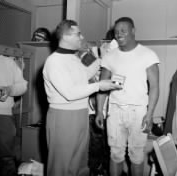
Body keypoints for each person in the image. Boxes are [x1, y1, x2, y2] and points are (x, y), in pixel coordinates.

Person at [42, 19, 121, 176]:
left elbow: (85, 75)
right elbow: (70, 93)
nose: (82, 36)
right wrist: (99, 86)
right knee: (61, 166)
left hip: (80, 113)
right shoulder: (54, 61)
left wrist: (102, 58)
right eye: (78, 34)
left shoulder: (74, 58)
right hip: (63, 117)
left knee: (79, 164)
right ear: (66, 36)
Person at [95, 17, 160, 176]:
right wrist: (99, 111)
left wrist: (150, 113)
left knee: (137, 156)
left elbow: (155, 87)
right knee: (115, 154)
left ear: (133, 31)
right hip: (115, 111)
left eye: (123, 30)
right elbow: (103, 86)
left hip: (139, 113)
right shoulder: (110, 56)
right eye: (116, 31)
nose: (119, 34)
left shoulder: (147, 54)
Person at [0, 55, 27, 176]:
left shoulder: (8, 62)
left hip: (3, 115)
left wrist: (9, 90)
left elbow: (22, 86)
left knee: (5, 157)